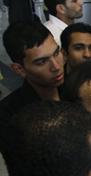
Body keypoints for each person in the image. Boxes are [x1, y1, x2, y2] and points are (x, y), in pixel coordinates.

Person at [0, 20, 63, 155]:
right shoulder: (8, 115)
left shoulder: (76, 90)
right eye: (42, 62)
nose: (56, 67)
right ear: (19, 69)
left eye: (56, 53)